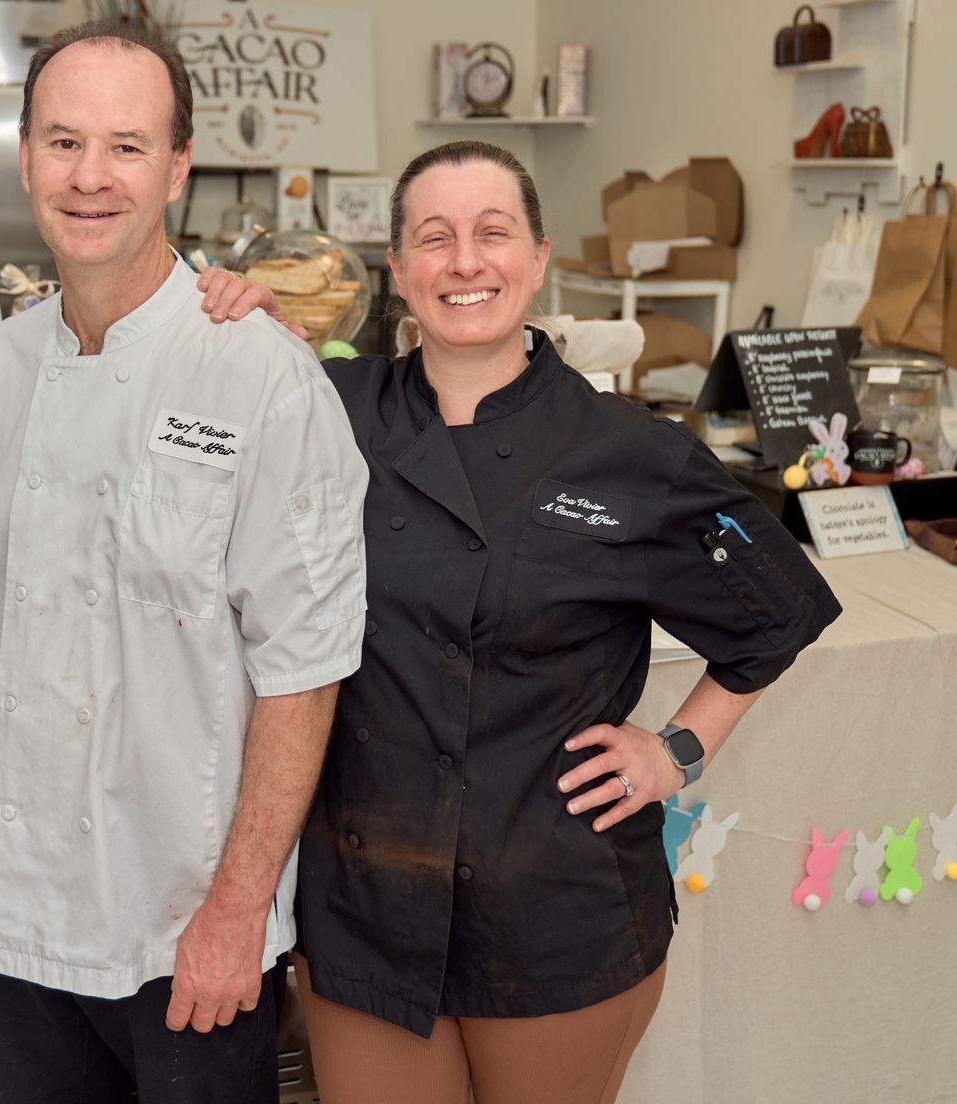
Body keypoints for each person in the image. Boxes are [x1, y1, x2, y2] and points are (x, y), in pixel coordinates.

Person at [197, 140, 841, 1104]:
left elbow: (779, 611)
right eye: (434, 238)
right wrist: (236, 323)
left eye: (493, 234)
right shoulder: (325, 409)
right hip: (365, 907)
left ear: (538, 260)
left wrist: (678, 750)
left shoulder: (631, 452)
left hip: (555, 909)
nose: (465, 262)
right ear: (399, 272)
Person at [0, 20, 369, 1104]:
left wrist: (240, 909)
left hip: (186, 933)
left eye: (126, 145)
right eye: (63, 143)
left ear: (177, 170)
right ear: (24, 159)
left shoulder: (261, 378)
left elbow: (305, 670)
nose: (90, 177)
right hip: (23, 916)